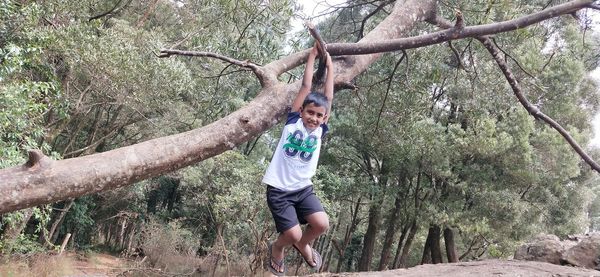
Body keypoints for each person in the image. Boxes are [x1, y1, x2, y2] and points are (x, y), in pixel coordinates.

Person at [262, 44, 334, 276]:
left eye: (319, 115)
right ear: (301, 111)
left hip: (303, 188)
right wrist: (312, 56)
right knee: (290, 234)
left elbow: (329, 96)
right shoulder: (293, 122)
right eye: (310, 112)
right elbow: (306, 86)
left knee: (322, 224)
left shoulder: (320, 131)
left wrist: (331, 65)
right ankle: (277, 247)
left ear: (325, 118)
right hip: (279, 189)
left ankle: (303, 244)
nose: (313, 118)